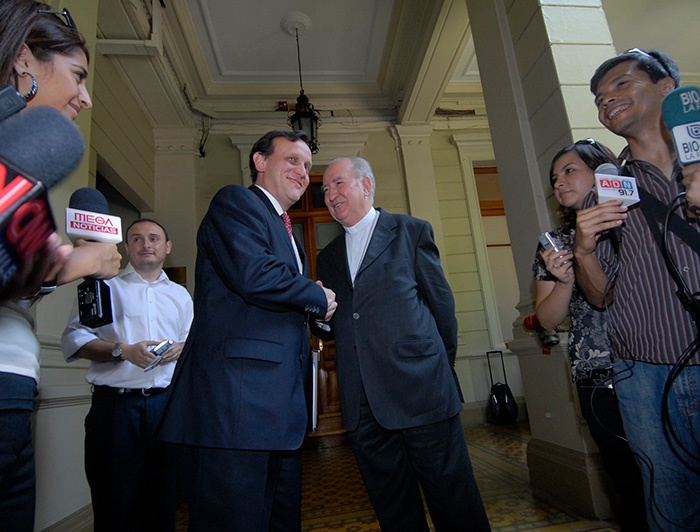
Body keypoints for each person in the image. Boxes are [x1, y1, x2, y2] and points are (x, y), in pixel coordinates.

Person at [157, 130, 337, 532]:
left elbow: (284, 305)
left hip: (277, 414)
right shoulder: (236, 202)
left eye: (308, 166)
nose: (303, 172)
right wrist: (315, 294)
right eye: (292, 160)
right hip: (234, 410)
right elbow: (254, 275)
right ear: (259, 161)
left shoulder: (291, 236)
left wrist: (320, 314)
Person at [313, 157, 490, 532]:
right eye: (325, 189)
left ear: (367, 185)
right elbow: (337, 328)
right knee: (394, 511)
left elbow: (442, 310)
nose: (330, 195)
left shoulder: (411, 232)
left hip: (421, 391)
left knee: (454, 502)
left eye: (339, 184)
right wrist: (319, 318)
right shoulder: (326, 259)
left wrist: (437, 370)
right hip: (362, 405)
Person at [0, 3, 121, 531]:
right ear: (25, 60)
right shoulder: (27, 149)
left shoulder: (22, 156)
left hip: (15, 385)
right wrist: (77, 261)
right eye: (77, 75)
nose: (85, 97)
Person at [575, 48, 700, 531]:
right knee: (671, 511)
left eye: (622, 85)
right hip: (645, 379)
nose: (608, 101)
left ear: (667, 87)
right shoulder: (605, 192)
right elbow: (601, 296)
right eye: (600, 98)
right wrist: (585, 250)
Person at [532, 139, 647, 531]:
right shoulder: (554, 243)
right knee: (629, 482)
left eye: (569, 170)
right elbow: (547, 319)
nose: (559, 183)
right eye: (554, 177)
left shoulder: (640, 221)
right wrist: (564, 281)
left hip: (658, 362)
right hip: (598, 376)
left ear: (601, 171)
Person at [61, 219, 193, 532]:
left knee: (162, 505)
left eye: (153, 238)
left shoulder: (181, 296)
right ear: (126, 247)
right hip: (115, 413)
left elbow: (194, 342)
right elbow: (73, 340)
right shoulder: (102, 287)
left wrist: (180, 348)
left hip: (166, 410)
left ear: (167, 247)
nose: (146, 244)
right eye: (136, 239)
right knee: (114, 507)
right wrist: (123, 351)